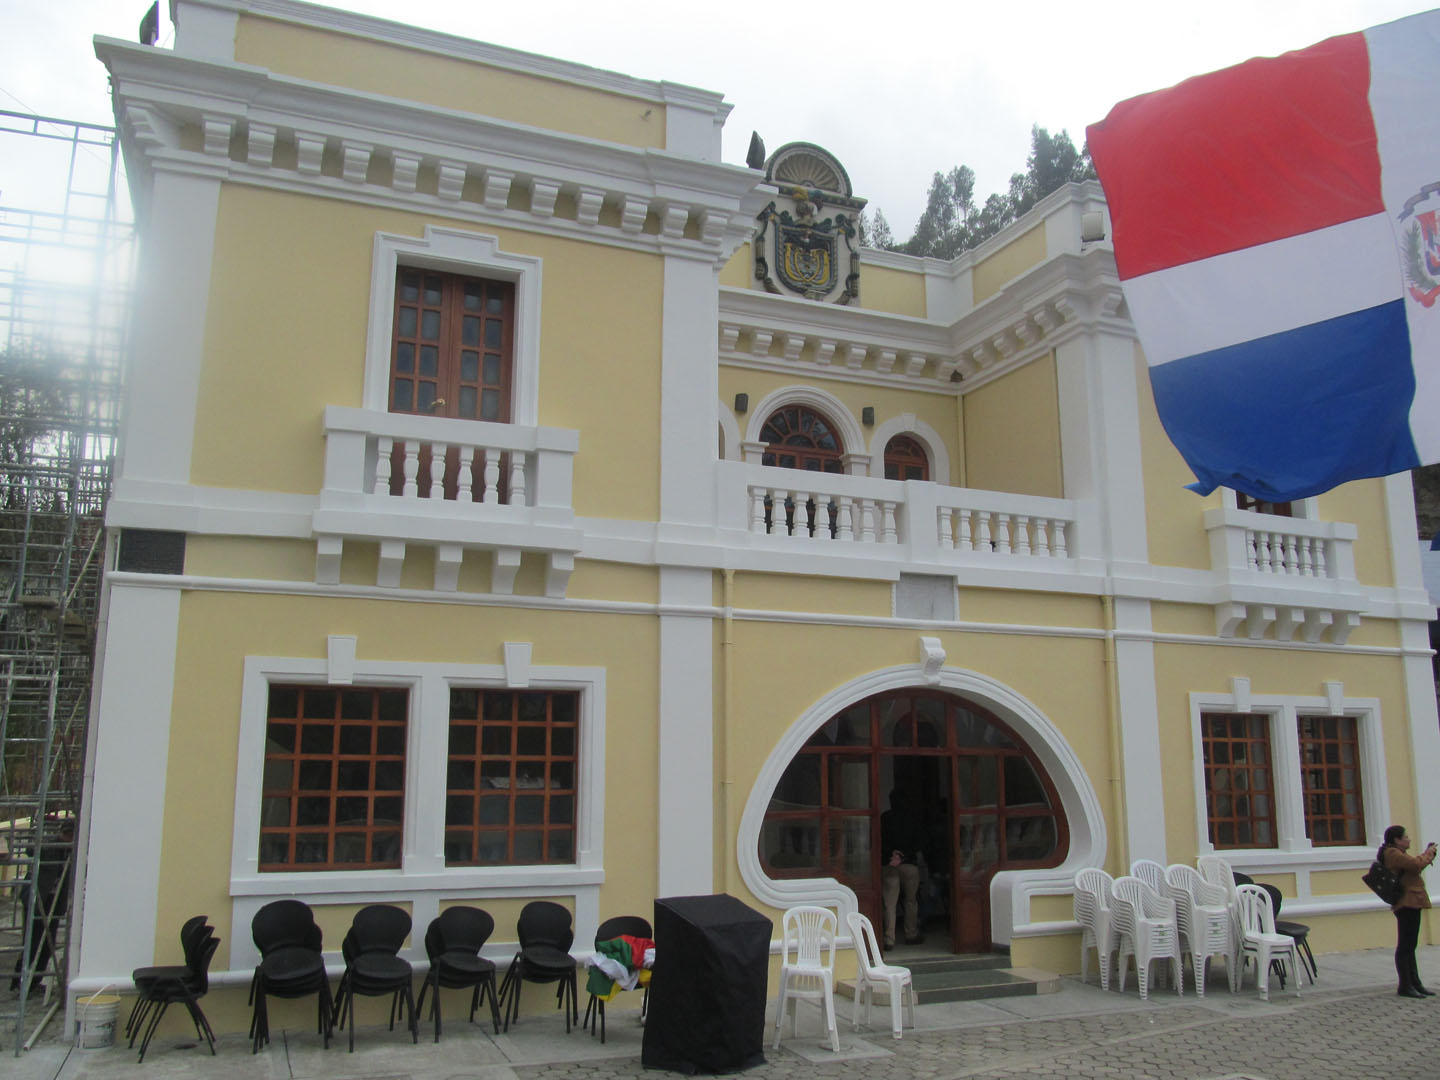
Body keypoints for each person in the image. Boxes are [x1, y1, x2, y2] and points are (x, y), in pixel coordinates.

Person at [1380, 824, 1437, 998]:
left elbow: (1415, 868)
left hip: (1412, 901)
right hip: (1406, 903)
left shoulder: (1398, 853)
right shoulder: (1392, 853)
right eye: (1406, 837)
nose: (1409, 839)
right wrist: (1428, 853)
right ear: (1397, 840)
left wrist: (1427, 855)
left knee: (1410, 945)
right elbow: (1415, 864)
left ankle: (1415, 983)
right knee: (1405, 945)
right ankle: (1405, 985)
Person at [880, 789, 924, 950]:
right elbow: (919, 842)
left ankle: (889, 939)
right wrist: (903, 856)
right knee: (911, 900)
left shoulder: (885, 818)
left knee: (889, 903)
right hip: (908, 865)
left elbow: (879, 840)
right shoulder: (912, 818)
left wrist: (892, 855)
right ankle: (911, 934)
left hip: (889, 865)